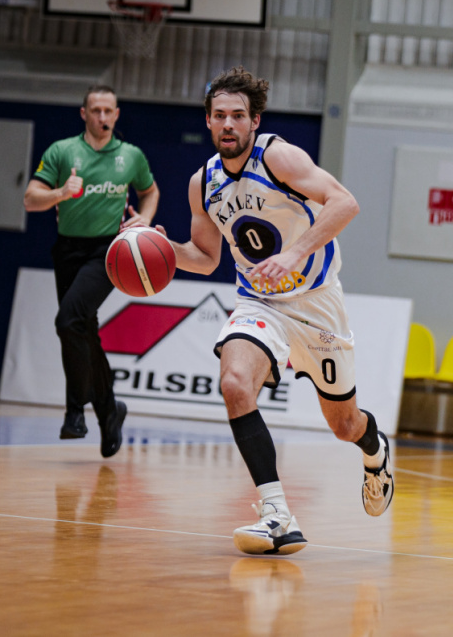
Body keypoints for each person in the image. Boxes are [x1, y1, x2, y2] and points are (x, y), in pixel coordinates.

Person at [156, 66, 394, 555]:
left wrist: (295, 251)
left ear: (254, 121)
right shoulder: (203, 184)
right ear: (208, 121)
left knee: (344, 425)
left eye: (238, 115)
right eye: (219, 115)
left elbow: (345, 203)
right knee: (233, 383)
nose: (228, 124)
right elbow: (206, 258)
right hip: (259, 301)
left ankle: (375, 451)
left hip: (317, 304)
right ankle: (277, 514)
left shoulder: (278, 157)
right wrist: (162, 249)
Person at [24, 84, 159, 458]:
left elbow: (150, 191)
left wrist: (145, 219)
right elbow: (30, 199)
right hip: (68, 249)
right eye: (95, 110)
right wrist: (60, 193)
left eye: (108, 111)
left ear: (117, 115)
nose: (102, 117)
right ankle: (109, 410)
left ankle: (74, 412)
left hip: (107, 252)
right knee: (83, 329)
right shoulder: (62, 151)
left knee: (68, 320)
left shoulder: (131, 155)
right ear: (84, 114)